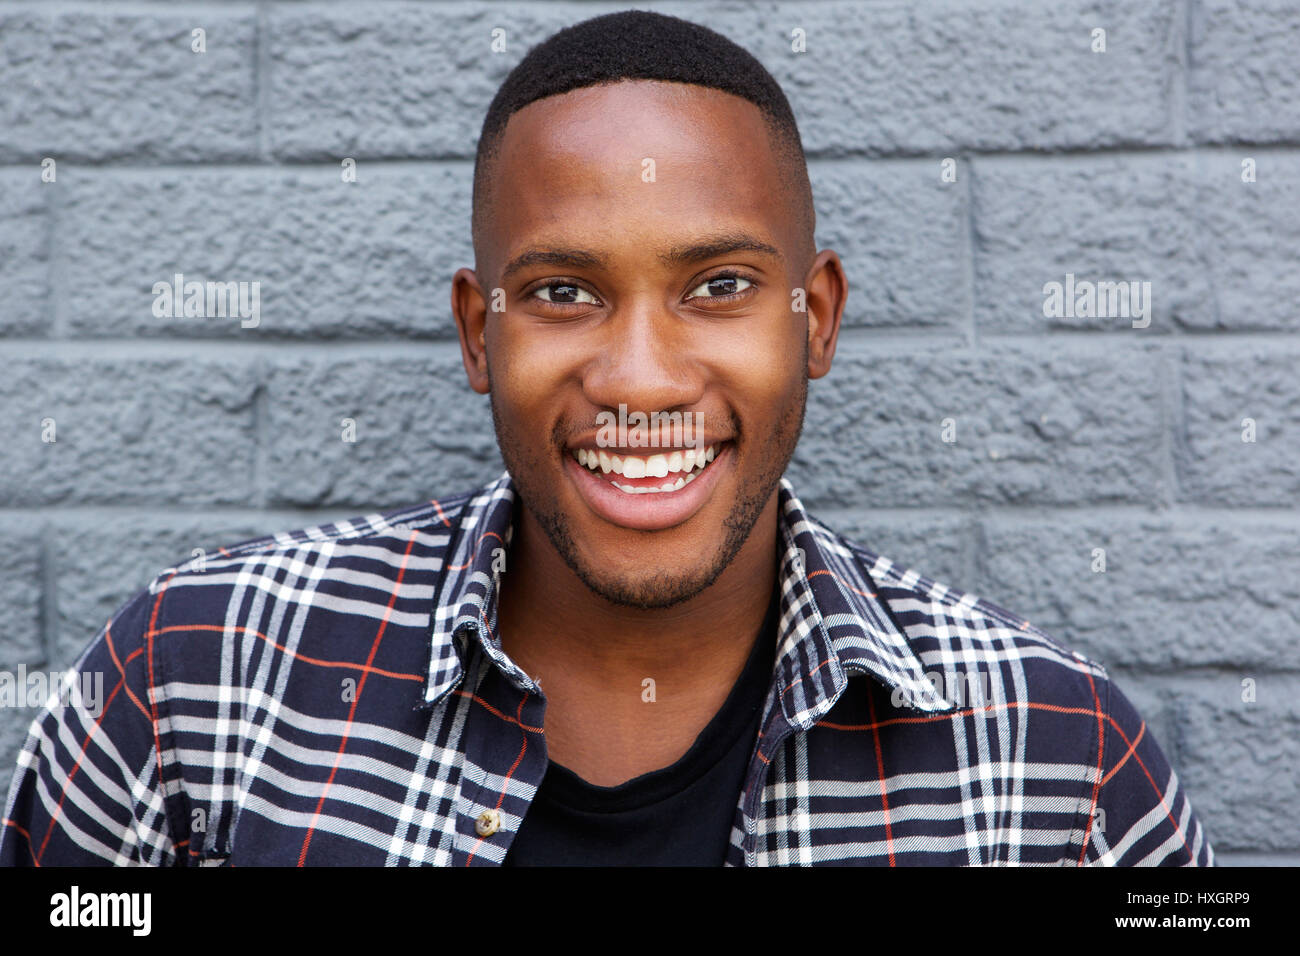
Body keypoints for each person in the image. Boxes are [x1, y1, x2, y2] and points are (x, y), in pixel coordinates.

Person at [1, 10, 1211, 866]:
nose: (639, 376)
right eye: (565, 293)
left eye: (720, 284)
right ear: (480, 335)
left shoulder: (1057, 765)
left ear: (817, 317)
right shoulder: (192, 684)